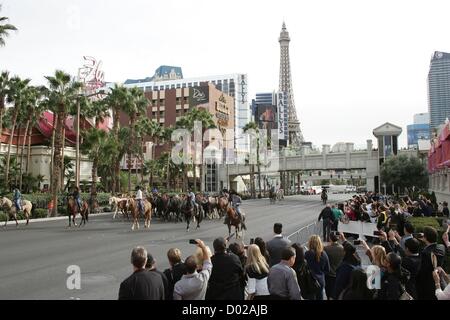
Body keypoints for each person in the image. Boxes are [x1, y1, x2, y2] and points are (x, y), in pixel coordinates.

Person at [416, 226, 446, 300]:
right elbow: (432, 249)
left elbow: (422, 272)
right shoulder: (441, 247)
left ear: (425, 238)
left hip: (427, 287)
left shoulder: (425, 253)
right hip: (440, 283)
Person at [305, 235, 330, 300]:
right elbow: (327, 269)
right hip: (320, 280)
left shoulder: (307, 254)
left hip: (310, 281)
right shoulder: (324, 254)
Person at [324, 232, 344, 300]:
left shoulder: (326, 249)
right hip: (339, 274)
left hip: (329, 275)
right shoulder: (342, 248)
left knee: (328, 293)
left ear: (330, 238)